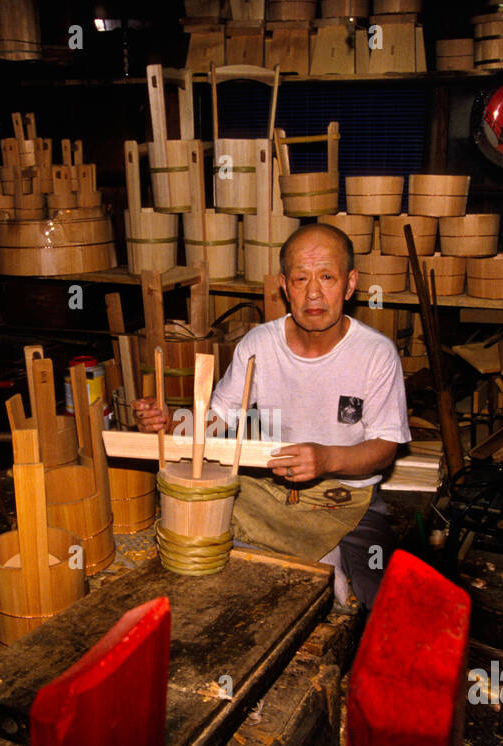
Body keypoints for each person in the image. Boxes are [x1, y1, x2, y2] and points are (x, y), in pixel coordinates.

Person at [133, 222, 410, 608]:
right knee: (211, 563)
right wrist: (173, 421)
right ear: (284, 285)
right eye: (300, 278)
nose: (313, 292)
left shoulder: (375, 354)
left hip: (347, 495)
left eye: (327, 277)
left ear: (349, 284)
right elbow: (220, 420)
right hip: (271, 489)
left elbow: (385, 448)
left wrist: (327, 458)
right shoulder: (260, 344)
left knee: (373, 601)